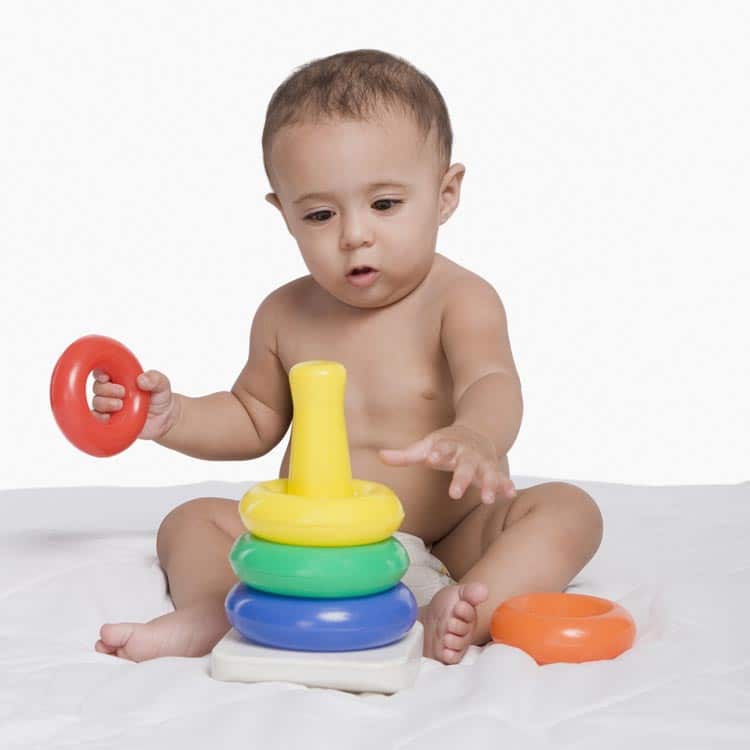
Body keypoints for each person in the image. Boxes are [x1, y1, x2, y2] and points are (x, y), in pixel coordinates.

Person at [93, 49, 603, 666]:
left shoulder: (459, 299)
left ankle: (471, 605)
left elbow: (491, 379)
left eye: (385, 204)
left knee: (569, 510)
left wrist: (476, 433)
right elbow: (252, 416)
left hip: (452, 538)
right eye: (320, 213)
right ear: (284, 215)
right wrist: (173, 419)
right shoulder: (283, 314)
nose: (354, 233)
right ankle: (211, 611)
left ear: (445, 194)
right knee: (190, 520)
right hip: (316, 549)